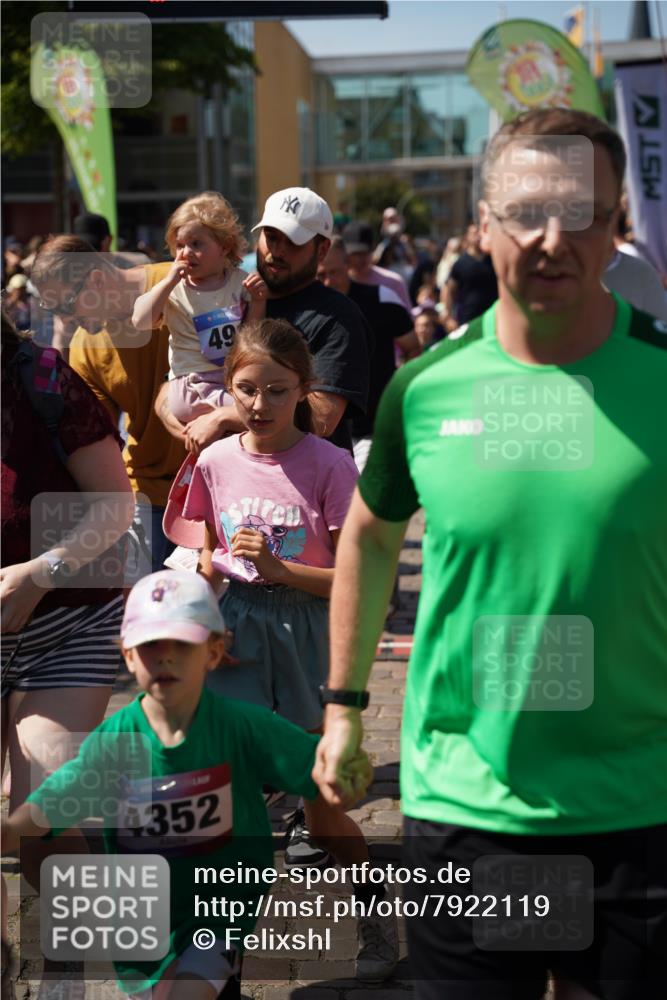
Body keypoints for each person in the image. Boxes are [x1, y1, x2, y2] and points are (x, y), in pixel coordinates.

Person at [313, 107, 667, 1000]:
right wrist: (346, 706)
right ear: (482, 225)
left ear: (615, 221)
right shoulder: (423, 391)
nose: (552, 238)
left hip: (640, 813)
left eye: (581, 211)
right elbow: (366, 530)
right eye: (524, 210)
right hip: (468, 811)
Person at [3, 569, 379, 998]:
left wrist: (344, 773)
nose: (165, 657)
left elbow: (316, 764)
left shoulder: (242, 726)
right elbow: (57, 799)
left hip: (218, 911)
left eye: (182, 645)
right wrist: (12, 831)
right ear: (127, 656)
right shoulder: (115, 740)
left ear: (214, 653)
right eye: (149, 646)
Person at [176, 319, 398, 980]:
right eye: (245, 388)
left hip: (309, 634)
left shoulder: (330, 466)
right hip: (235, 638)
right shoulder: (214, 462)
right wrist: (195, 599)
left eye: (276, 390)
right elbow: (208, 550)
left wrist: (282, 572)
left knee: (321, 804)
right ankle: (220, 951)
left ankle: (373, 917)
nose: (258, 404)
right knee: (225, 803)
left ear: (303, 390)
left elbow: (359, 580)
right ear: (227, 386)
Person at [1, 310, 134, 994]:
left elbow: (117, 505)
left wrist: (40, 572)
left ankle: (64, 969)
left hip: (67, 622)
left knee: (43, 805)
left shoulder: (48, 380)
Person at [159, 188, 370, 457]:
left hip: (308, 490)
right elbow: (175, 381)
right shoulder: (228, 291)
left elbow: (321, 418)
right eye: (271, 237)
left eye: (293, 242)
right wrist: (174, 412)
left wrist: (224, 417)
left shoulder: (338, 317)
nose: (277, 252)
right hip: (235, 486)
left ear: (322, 250)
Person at [30, 236, 187, 573]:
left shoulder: (181, 282)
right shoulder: (85, 345)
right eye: (52, 310)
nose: (66, 319)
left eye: (66, 305)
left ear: (97, 279)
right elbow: (95, 444)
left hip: (221, 485)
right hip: (151, 497)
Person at [132, 192, 268, 424]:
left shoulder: (238, 282)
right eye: (180, 245)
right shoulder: (172, 288)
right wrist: (167, 283)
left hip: (231, 380)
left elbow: (251, 336)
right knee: (257, 411)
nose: (185, 253)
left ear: (224, 247)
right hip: (191, 386)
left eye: (196, 244)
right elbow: (140, 321)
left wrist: (258, 301)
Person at [316, 236, 417, 472]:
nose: (329, 281)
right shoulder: (307, 306)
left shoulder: (382, 298)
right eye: (321, 275)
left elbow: (413, 346)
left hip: (375, 427)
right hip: (324, 433)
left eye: (335, 272)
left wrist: (400, 387)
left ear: (347, 265)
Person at [342, 221, 412, 312]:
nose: (360, 259)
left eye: (365, 252)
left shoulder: (393, 282)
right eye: (355, 253)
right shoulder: (335, 281)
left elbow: (409, 319)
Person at [443, 222, 498, 330]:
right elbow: (449, 290)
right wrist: (448, 317)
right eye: (474, 233)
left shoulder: (494, 260)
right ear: (467, 237)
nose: (477, 236)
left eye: (480, 233)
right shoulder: (460, 263)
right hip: (468, 319)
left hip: (493, 318)